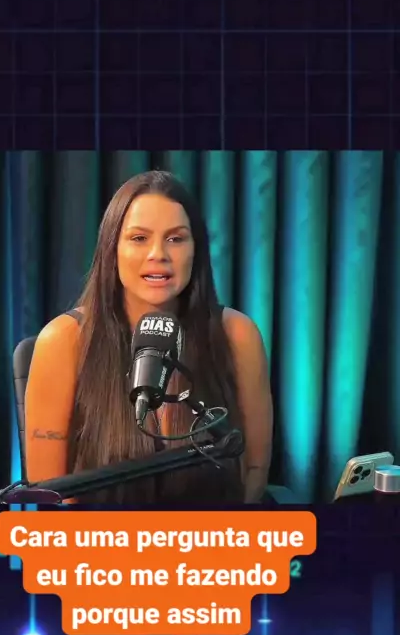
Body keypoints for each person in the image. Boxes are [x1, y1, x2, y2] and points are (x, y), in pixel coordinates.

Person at [24, 170, 273, 505]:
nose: (158, 254)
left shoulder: (237, 335)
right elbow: (49, 495)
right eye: (139, 238)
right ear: (112, 248)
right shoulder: (63, 341)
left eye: (176, 239)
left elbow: (254, 471)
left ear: (197, 250)